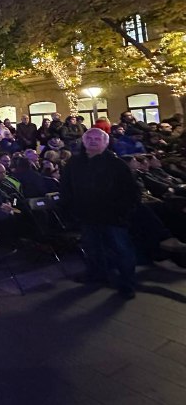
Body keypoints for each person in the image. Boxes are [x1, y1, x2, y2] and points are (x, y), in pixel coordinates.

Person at [59, 128, 139, 299]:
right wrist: (72, 208)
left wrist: (122, 211)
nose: (93, 141)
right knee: (93, 248)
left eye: (98, 138)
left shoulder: (116, 164)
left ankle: (127, 284)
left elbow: (130, 191)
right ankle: (97, 275)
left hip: (113, 216)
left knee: (121, 250)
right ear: (84, 141)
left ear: (106, 142)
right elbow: (66, 187)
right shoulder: (75, 163)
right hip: (87, 215)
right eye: (90, 138)